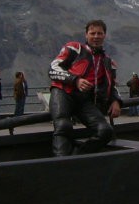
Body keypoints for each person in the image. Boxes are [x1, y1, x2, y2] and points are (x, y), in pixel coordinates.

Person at [48, 19, 122, 156]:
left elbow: (112, 85)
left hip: (84, 101)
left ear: (104, 35)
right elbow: (53, 68)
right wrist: (75, 80)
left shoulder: (108, 62)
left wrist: (116, 100)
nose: (96, 36)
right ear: (86, 35)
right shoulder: (74, 48)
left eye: (99, 33)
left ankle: (77, 156)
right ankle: (60, 163)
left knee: (105, 131)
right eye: (92, 33)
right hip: (63, 92)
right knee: (63, 127)